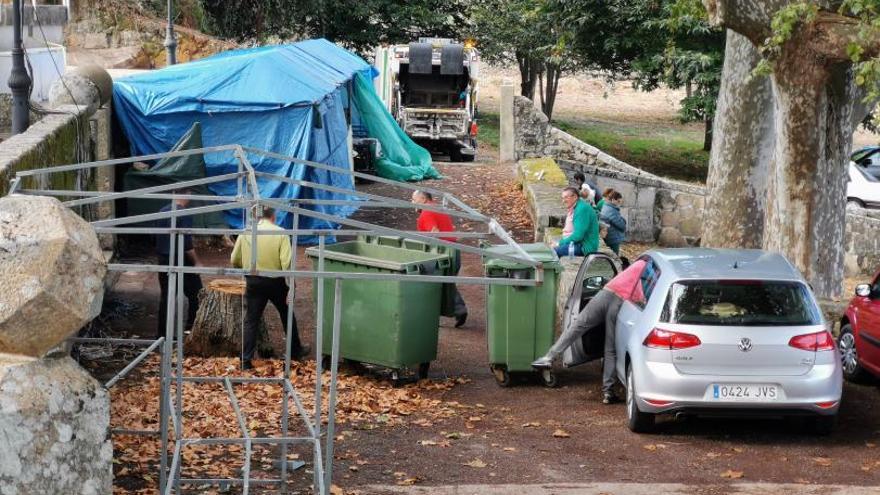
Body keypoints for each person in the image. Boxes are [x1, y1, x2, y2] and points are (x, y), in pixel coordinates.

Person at [532, 259, 649, 404]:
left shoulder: (639, 263)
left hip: (606, 292)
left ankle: (549, 357)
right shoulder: (651, 269)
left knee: (577, 326)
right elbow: (643, 294)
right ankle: (608, 392)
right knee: (610, 348)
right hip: (620, 302)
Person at [231, 207, 307, 370]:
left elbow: (234, 259)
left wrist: (246, 266)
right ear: (274, 216)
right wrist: (291, 286)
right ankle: (295, 351)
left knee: (251, 320)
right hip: (275, 281)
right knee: (287, 314)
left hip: (253, 280)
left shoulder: (247, 232)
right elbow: (287, 263)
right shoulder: (281, 232)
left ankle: (245, 359)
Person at [412, 190, 468, 328]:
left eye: (414, 199)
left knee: (435, 284)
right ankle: (455, 310)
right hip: (452, 250)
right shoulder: (436, 208)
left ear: (423, 199)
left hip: (442, 252)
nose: (412, 202)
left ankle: (457, 310)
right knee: (444, 284)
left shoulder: (427, 212)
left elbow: (435, 233)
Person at [155, 191, 202, 339]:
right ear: (187, 194)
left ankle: (163, 334)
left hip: (163, 258)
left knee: (167, 297)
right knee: (197, 294)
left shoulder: (162, 211)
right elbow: (186, 242)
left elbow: (153, 235)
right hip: (181, 259)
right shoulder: (184, 213)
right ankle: (191, 329)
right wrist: (197, 262)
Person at [553, 187, 599, 257]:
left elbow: (578, 236)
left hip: (585, 247)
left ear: (575, 197)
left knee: (553, 252)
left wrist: (560, 243)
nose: (563, 201)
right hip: (579, 243)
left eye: (566, 198)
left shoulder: (582, 209)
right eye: (562, 198)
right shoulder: (578, 206)